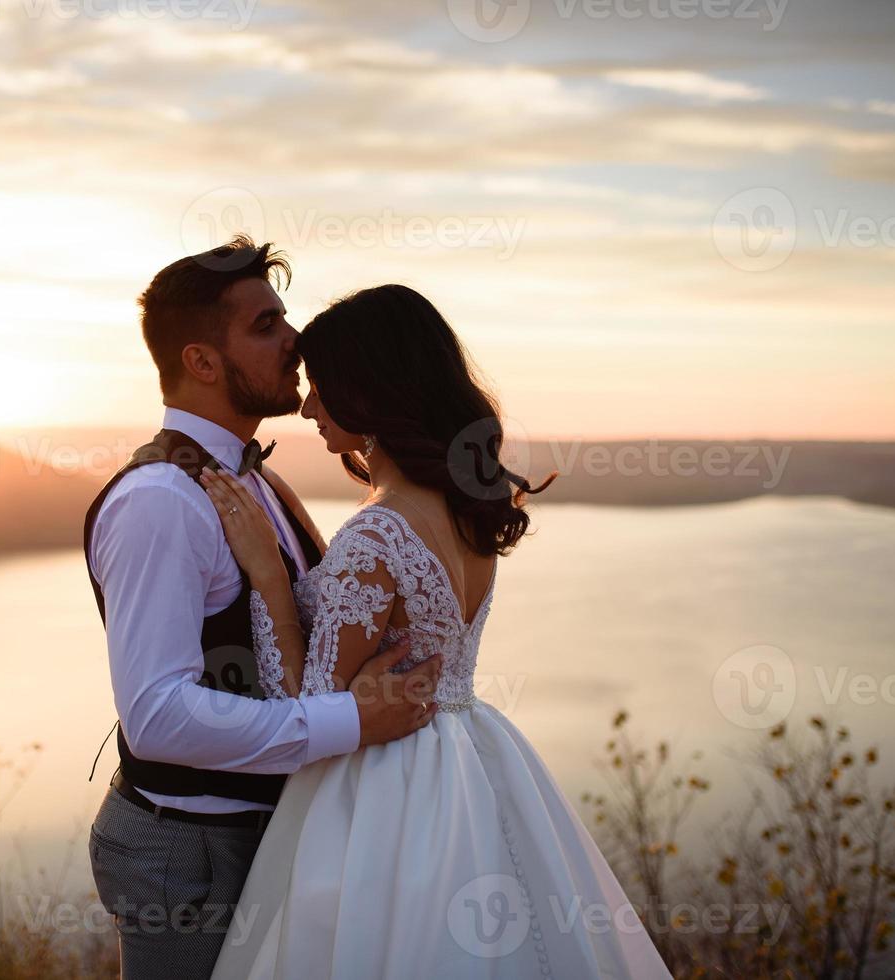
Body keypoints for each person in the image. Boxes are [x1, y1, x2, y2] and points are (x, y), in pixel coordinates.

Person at [199, 283, 673, 978]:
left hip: (381, 789)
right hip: (475, 754)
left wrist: (270, 579)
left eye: (323, 388)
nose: (307, 405)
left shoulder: (377, 534)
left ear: (370, 393)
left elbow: (306, 711)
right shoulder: (469, 513)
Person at [84, 238, 443, 980]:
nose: (296, 340)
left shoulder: (257, 483)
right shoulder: (161, 501)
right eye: (266, 326)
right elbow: (155, 716)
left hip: (261, 836)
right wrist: (353, 719)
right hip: (190, 854)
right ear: (202, 363)